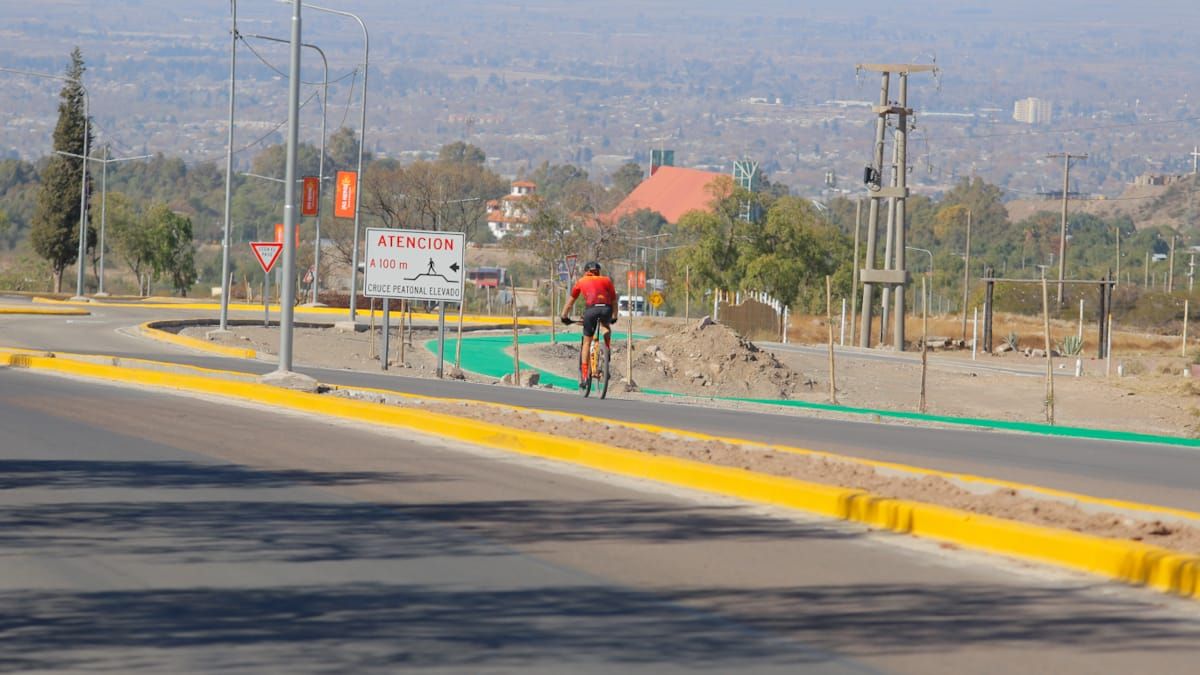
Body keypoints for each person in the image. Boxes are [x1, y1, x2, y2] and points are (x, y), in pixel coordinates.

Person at [561, 260, 618, 388]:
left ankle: (585, 375)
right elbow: (614, 300)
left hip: (591, 310)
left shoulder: (581, 281)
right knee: (605, 326)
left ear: (587, 272)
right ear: (598, 271)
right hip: (606, 309)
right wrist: (614, 316)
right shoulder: (607, 280)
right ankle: (606, 349)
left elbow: (571, 302)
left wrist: (564, 316)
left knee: (587, 342)